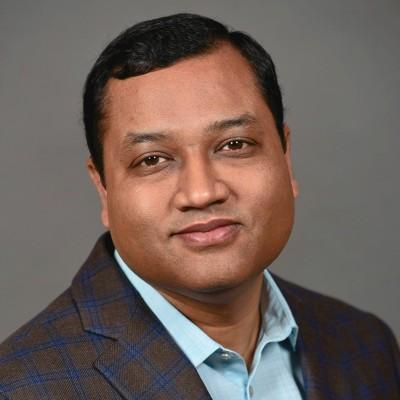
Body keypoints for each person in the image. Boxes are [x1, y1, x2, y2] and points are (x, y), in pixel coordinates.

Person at [0, 13, 399, 400]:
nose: (202, 193)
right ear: (103, 187)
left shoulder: (366, 345)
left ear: (285, 156)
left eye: (234, 145)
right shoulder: (21, 387)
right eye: (152, 159)